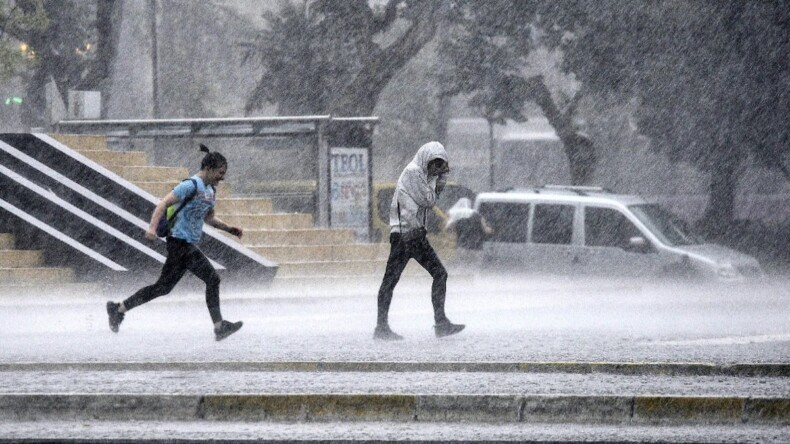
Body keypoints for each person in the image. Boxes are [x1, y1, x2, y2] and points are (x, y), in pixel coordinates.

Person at [106, 144, 245, 341]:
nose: (222, 177)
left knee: (162, 287)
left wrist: (229, 229)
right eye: (220, 172)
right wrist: (152, 228)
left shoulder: (210, 191)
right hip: (179, 243)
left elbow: (209, 219)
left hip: (185, 244)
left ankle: (118, 309)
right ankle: (219, 326)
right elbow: (163, 203)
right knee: (213, 279)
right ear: (209, 168)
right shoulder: (190, 185)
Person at [374, 141, 465, 340]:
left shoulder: (421, 173)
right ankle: (439, 322)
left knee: (392, 280)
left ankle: (382, 327)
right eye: (434, 164)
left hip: (409, 233)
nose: (435, 169)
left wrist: (438, 178)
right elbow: (429, 200)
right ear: (426, 159)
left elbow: (428, 199)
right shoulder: (414, 172)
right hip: (407, 234)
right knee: (437, 274)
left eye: (439, 165)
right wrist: (440, 179)